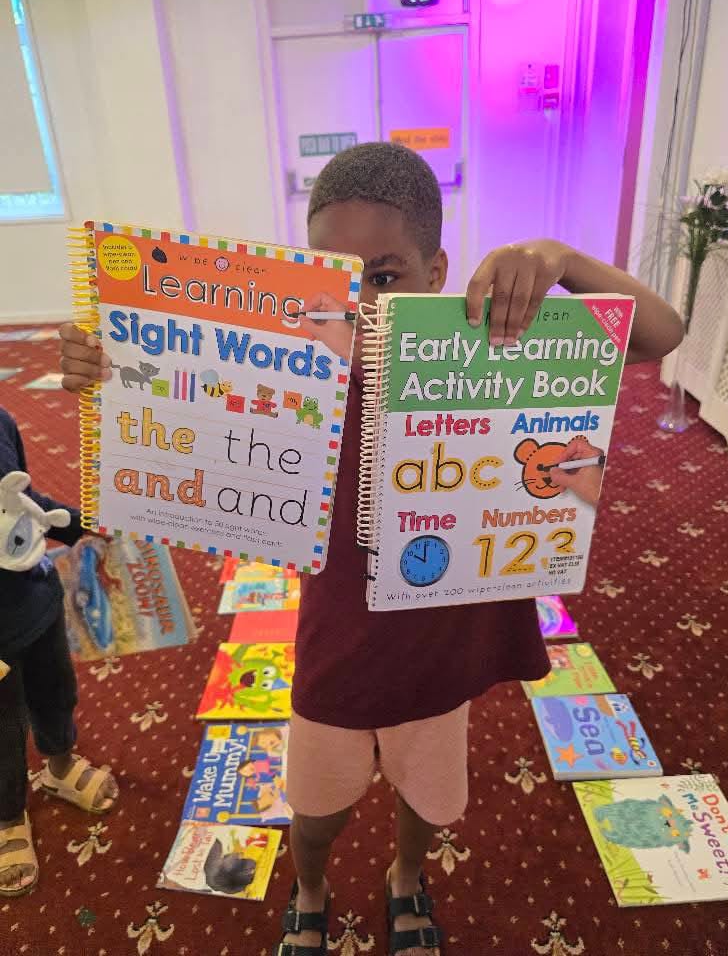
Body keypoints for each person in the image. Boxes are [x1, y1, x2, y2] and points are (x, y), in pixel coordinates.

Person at [58, 142, 684, 956]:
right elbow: (186, 411)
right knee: (315, 807)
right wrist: (112, 371)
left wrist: (559, 258)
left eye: (384, 277)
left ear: (437, 272)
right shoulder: (299, 370)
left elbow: (660, 333)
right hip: (339, 640)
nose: (358, 302)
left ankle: (404, 876)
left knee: (427, 794)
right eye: (336, 278)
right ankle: (310, 884)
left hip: (442, 639)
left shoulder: (487, 352)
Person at [0, 408, 119, 898]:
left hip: (36, 597)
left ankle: (60, 764)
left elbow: (24, 501)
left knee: (56, 691)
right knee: (4, 725)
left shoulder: (2, 421)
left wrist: (77, 525)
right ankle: (7, 817)